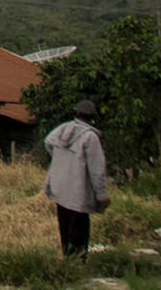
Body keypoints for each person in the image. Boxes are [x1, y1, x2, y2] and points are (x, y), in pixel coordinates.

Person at [44, 99, 110, 257]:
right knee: (79, 230)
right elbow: (97, 170)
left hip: (60, 188)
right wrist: (102, 195)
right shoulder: (90, 137)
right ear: (93, 117)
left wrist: (62, 160)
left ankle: (67, 260)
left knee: (65, 228)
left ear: (77, 113)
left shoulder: (63, 129)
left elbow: (48, 142)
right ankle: (78, 263)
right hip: (78, 192)